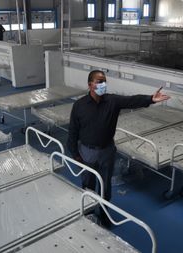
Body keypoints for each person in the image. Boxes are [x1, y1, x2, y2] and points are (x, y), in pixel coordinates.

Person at [67, 70, 170, 227]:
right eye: (99, 82)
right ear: (90, 85)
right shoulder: (79, 105)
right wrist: (75, 153)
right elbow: (73, 131)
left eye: (104, 81)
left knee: (105, 185)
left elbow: (131, 101)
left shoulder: (112, 101)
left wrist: (150, 99)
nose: (103, 85)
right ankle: (88, 212)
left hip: (107, 151)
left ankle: (104, 213)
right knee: (88, 183)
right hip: (87, 151)